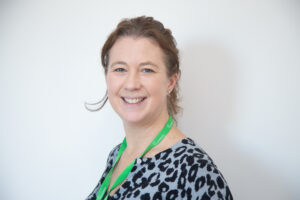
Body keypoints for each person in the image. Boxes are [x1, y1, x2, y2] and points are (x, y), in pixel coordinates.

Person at [85, 16, 233, 200]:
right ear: (107, 76)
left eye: (147, 70)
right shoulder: (117, 155)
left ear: (170, 82)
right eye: (120, 69)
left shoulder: (195, 171)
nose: (131, 84)